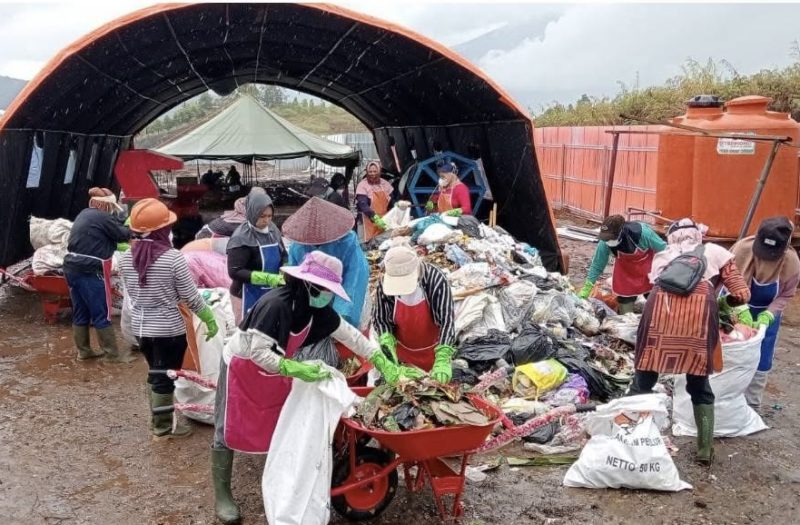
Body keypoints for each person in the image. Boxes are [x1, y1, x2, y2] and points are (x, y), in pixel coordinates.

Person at [210, 251, 421, 524]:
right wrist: (295, 368)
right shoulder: (276, 305)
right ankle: (222, 495)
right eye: (323, 290)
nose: (327, 296)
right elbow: (259, 353)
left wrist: (382, 361)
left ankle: (279, 473)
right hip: (243, 366)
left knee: (274, 423)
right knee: (227, 426)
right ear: (307, 284)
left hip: (275, 371)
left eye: (330, 291)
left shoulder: (317, 310)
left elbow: (351, 336)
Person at [629, 219, 750, 464]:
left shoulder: (664, 254)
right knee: (698, 384)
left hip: (659, 321)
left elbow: (651, 289)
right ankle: (705, 450)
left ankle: (630, 438)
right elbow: (741, 293)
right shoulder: (716, 252)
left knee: (644, 380)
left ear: (672, 237)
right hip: (697, 324)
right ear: (698, 236)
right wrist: (725, 304)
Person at [118, 198, 219, 440]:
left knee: (155, 372)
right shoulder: (172, 259)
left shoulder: (125, 259)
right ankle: (162, 429)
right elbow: (191, 297)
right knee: (165, 378)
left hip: (141, 328)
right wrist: (210, 318)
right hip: (169, 330)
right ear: (163, 230)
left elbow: (131, 294)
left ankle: (160, 418)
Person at [730, 216, 800, 411]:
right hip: (735, 307)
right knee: (731, 351)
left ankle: (751, 404)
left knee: (763, 355)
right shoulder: (741, 250)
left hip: (766, 313)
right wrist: (738, 308)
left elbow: (786, 294)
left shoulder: (791, 262)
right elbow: (725, 281)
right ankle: (727, 398)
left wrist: (769, 314)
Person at [63, 188, 132, 362]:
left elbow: (100, 238)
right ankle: (112, 356)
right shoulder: (103, 217)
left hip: (71, 267)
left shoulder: (84, 214)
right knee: (102, 312)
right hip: (91, 269)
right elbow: (123, 235)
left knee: (81, 311)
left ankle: (84, 351)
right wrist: (135, 226)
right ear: (106, 204)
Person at [372, 244, 457, 383]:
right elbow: (381, 319)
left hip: (434, 352)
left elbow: (447, 321)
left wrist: (443, 357)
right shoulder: (384, 284)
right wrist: (386, 341)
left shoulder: (435, 280)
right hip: (402, 354)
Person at [282, 196, 368, 328]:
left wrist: (341, 317)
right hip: (312, 298)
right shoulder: (298, 246)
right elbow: (295, 282)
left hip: (342, 292)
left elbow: (354, 281)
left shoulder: (347, 242)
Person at [578, 214, 667, 313]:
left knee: (657, 305)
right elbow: (597, 264)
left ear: (621, 232)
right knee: (625, 312)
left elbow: (664, 250)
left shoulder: (642, 233)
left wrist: (665, 273)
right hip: (626, 274)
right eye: (606, 238)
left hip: (649, 269)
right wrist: (588, 286)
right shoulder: (604, 242)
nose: (608, 241)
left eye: (611, 238)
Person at [226, 188, 286, 323]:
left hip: (271, 292)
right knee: (248, 331)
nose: (266, 221)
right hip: (246, 293)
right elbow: (235, 272)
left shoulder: (273, 230)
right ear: (253, 213)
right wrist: (268, 278)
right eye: (262, 216)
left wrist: (285, 268)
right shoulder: (240, 237)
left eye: (270, 216)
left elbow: (283, 254)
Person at [355, 161, 395, 242]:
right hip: (367, 221)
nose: (372, 174)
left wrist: (397, 206)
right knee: (366, 245)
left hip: (383, 221)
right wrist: (375, 218)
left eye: (375, 171)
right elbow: (363, 205)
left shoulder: (385, 184)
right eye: (370, 171)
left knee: (380, 244)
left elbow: (392, 200)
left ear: (379, 171)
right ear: (367, 172)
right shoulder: (362, 185)